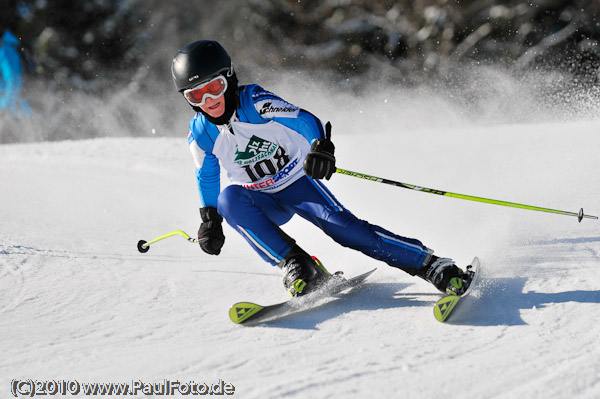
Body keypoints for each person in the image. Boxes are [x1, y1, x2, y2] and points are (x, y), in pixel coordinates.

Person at [171, 40, 472, 297]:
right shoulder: (200, 133)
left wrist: (320, 146)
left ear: (229, 78)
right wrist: (209, 218)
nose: (209, 101)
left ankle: (430, 264)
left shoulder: (255, 103)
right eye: (196, 95)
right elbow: (206, 174)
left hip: (298, 184)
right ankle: (296, 264)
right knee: (227, 200)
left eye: (214, 87)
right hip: (259, 199)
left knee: (347, 231)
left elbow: (303, 119)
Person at [0, 29, 31, 116]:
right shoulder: (5, 49)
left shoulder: (6, 51)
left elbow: (14, 80)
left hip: (14, 111)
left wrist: (7, 106)